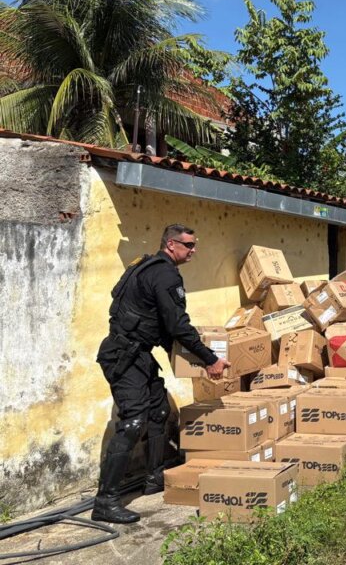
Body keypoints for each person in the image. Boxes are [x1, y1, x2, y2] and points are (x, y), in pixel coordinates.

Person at [92, 224, 231, 524]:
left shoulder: (147, 266)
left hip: (138, 354)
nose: (194, 250)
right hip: (123, 356)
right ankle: (106, 501)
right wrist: (209, 359)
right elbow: (177, 325)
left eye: (194, 245)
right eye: (189, 245)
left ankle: (154, 477)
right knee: (132, 422)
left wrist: (184, 361)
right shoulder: (165, 274)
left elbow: (162, 327)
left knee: (158, 410)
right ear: (171, 245)